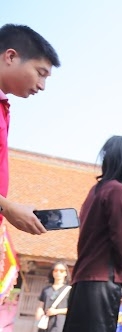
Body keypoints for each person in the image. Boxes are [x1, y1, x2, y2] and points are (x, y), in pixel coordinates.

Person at [51, 136, 122, 332]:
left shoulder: (97, 190)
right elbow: (121, 238)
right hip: (102, 282)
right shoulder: (118, 191)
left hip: (83, 281)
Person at [0, 24, 59, 235]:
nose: (42, 85)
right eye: (40, 73)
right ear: (11, 57)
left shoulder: (3, 107)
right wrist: (8, 209)